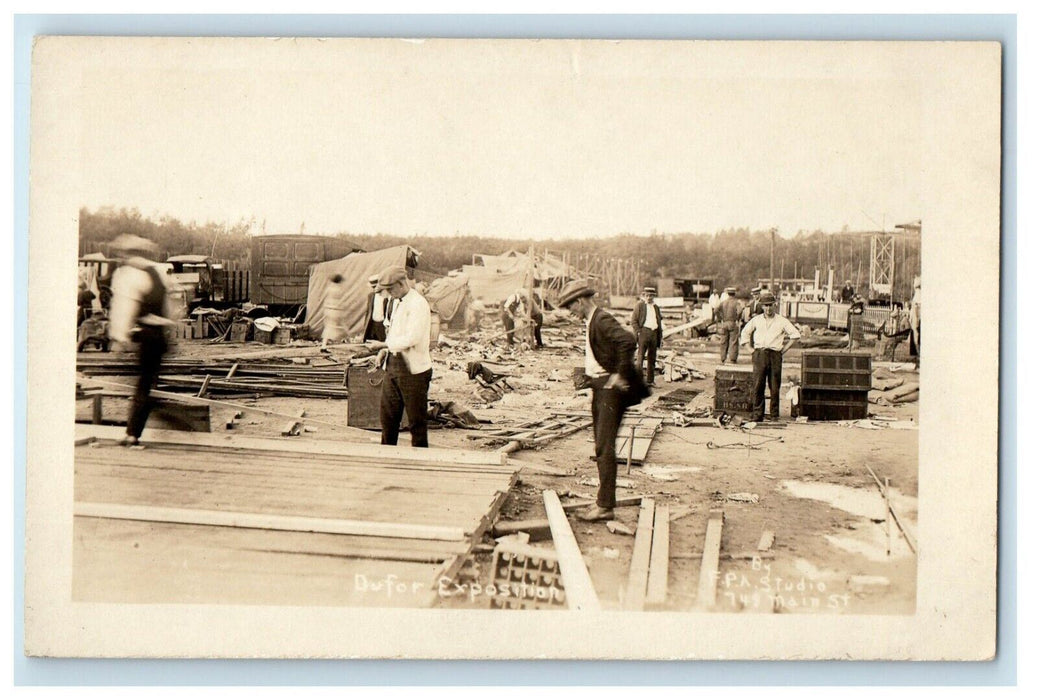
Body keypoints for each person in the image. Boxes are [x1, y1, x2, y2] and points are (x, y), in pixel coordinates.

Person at [558, 279, 649, 522]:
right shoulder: (592, 321)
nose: (571, 313)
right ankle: (604, 502)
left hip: (610, 389)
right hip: (600, 387)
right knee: (601, 445)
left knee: (604, 446)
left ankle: (605, 505)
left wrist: (618, 374)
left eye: (571, 307)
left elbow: (628, 341)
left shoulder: (600, 319)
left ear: (580, 301)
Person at [107, 234, 177, 447]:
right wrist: (170, 329)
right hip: (160, 335)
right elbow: (172, 306)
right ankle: (137, 426)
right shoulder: (160, 272)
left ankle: (134, 432)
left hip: (145, 334)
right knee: (146, 382)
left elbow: (124, 308)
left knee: (142, 384)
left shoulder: (129, 274)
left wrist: (119, 337)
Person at [370, 267, 432, 448]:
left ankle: (419, 462)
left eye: (391, 289)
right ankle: (387, 458)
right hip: (393, 364)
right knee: (388, 417)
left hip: (413, 369)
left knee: (416, 421)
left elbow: (413, 337)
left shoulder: (418, 303)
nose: (389, 293)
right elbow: (394, 332)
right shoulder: (395, 302)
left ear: (401, 283)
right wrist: (385, 351)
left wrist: (383, 345)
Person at [739, 291, 801, 423]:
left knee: (774, 386)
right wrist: (751, 350)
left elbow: (795, 335)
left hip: (775, 355)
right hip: (760, 354)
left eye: (770, 305)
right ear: (761, 306)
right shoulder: (756, 320)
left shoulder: (782, 321)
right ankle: (758, 414)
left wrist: (782, 351)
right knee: (758, 385)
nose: (768, 308)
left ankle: (774, 414)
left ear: (775, 305)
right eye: (765, 305)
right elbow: (744, 333)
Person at [630, 286, 663, 385]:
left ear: (654, 297)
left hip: (654, 333)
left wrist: (660, 337)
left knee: (652, 358)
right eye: (647, 295)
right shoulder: (639, 306)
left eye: (651, 296)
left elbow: (659, 323)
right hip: (643, 333)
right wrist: (639, 332)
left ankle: (650, 381)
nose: (649, 298)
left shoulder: (656, 307)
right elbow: (633, 321)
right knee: (640, 358)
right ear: (644, 296)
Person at [716, 286, 743, 364]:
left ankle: (723, 358)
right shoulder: (736, 302)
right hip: (732, 322)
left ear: (727, 293)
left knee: (723, 341)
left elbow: (716, 309)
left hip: (724, 323)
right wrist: (737, 318)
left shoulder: (723, 302)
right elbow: (740, 310)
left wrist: (720, 317)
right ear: (734, 294)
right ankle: (732, 358)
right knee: (733, 341)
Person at [320, 274, 347, 349]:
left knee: (329, 327)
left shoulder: (329, 288)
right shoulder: (339, 289)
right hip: (336, 310)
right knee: (340, 326)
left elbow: (325, 300)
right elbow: (340, 301)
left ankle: (324, 345)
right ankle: (346, 340)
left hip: (329, 310)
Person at [362, 273, 389, 342]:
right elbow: (368, 311)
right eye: (373, 287)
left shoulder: (387, 296)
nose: (375, 289)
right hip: (372, 324)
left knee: (383, 343)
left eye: (376, 286)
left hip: (382, 325)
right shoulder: (371, 296)